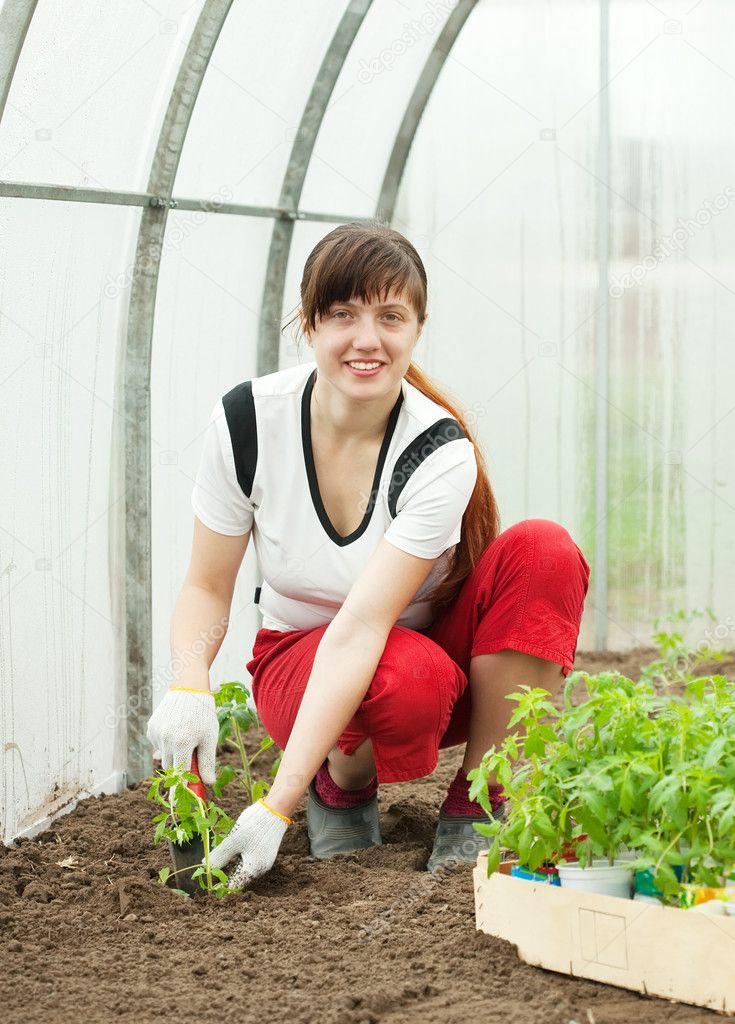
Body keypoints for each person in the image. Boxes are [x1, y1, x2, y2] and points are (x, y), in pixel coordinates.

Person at [146, 221, 590, 888]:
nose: (366, 339)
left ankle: (477, 795)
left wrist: (275, 805)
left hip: (422, 662)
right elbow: (208, 587)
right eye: (343, 314)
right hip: (297, 660)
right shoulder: (247, 424)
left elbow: (360, 629)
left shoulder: (437, 451)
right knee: (397, 670)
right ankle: (343, 781)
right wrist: (188, 685)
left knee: (542, 551)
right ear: (309, 323)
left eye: (390, 316)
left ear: (416, 327)